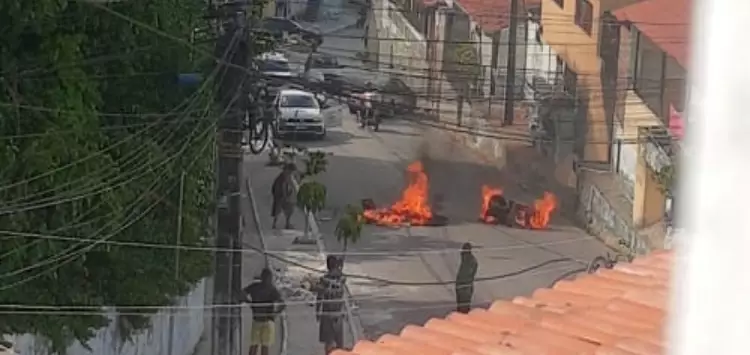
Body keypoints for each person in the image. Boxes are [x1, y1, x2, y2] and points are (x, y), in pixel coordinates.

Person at [243, 268, 285, 355]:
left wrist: (250, 303)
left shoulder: (256, 287)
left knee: (256, 345)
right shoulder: (271, 289)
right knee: (262, 346)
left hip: (261, 320)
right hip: (265, 320)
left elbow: (241, 293)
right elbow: (282, 304)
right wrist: (275, 314)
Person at [315, 255, 346, 354]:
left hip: (328, 314)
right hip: (338, 314)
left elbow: (319, 296)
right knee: (339, 343)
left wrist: (317, 311)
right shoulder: (341, 279)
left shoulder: (324, 280)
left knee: (329, 343)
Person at [271, 163, 296, 229]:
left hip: (283, 196)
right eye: (291, 171)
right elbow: (282, 187)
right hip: (280, 196)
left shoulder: (285, 176)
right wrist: (285, 195)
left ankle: (286, 223)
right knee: (279, 210)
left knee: (288, 210)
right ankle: (275, 224)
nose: (291, 172)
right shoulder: (282, 178)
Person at [455, 242, 478, 313]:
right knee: (461, 304)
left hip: (466, 285)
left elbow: (472, 272)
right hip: (461, 284)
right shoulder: (468, 258)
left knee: (464, 305)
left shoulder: (471, 260)